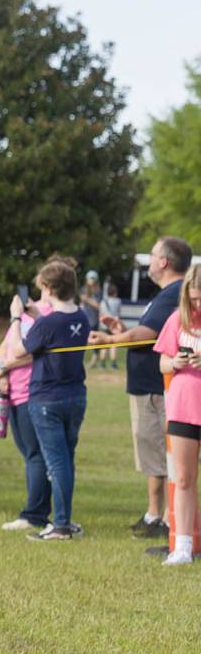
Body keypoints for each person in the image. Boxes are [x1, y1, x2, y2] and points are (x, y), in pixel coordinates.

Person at [90, 236, 192, 540]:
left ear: (164, 262)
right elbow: (151, 336)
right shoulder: (166, 294)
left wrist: (109, 339)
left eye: (154, 254)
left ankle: (162, 517)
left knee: (157, 450)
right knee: (152, 449)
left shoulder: (172, 293)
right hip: (148, 385)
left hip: (154, 387)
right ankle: (154, 514)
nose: (150, 259)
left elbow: (145, 334)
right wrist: (121, 330)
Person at [11, 259, 90, 540]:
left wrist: (17, 317)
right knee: (66, 460)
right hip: (75, 397)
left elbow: (19, 351)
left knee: (56, 464)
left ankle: (60, 525)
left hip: (47, 399)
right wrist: (36, 315)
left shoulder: (47, 323)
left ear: (48, 288)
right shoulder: (81, 317)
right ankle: (63, 520)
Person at [0, 276, 54, 532]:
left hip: (32, 391)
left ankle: (35, 514)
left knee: (36, 454)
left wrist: (5, 365)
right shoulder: (26, 312)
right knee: (29, 452)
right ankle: (35, 509)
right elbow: (6, 345)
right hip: (13, 392)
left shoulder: (47, 314)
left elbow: (32, 351)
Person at [155, 264, 201, 565]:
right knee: (183, 478)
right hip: (183, 406)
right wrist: (175, 361)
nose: (198, 305)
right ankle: (182, 546)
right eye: (194, 298)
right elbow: (162, 363)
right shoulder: (177, 319)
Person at [80, 270, 103, 368]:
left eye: (93, 278)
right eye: (89, 278)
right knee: (82, 340)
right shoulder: (84, 289)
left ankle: (93, 361)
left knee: (94, 341)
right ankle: (80, 360)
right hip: (84, 318)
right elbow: (82, 303)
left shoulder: (98, 292)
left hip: (94, 320)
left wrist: (88, 300)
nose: (91, 281)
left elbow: (98, 305)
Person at [99, 283, 123, 370]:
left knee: (104, 345)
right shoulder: (118, 301)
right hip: (114, 325)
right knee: (113, 345)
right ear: (115, 292)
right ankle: (113, 364)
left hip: (104, 325)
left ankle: (102, 363)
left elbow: (101, 314)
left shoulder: (103, 302)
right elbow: (119, 313)